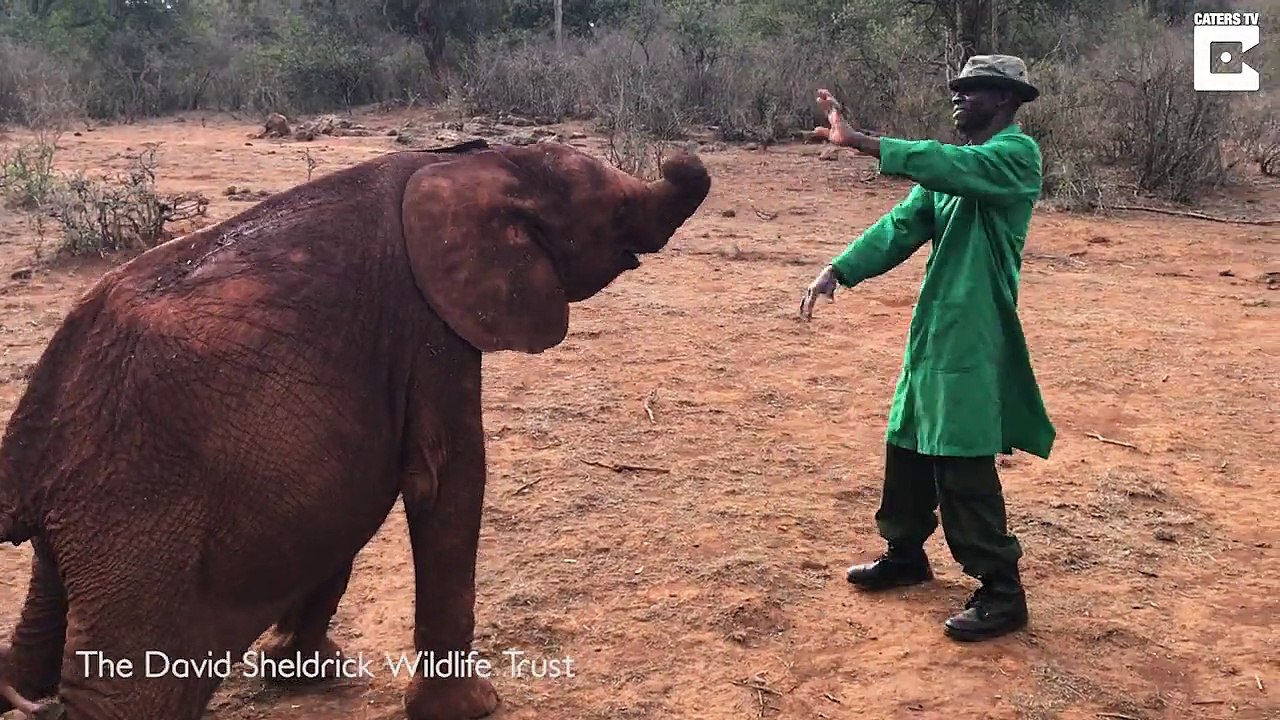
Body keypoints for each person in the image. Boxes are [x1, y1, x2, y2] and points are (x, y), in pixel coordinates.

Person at [798, 54, 1055, 642]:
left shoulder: (1015, 156)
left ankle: (1002, 591)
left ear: (1006, 100)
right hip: (935, 327)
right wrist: (840, 269)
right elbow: (900, 226)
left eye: (974, 90)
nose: (959, 97)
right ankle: (905, 554)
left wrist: (861, 141)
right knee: (908, 441)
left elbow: (945, 165)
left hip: (976, 330)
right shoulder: (953, 173)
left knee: (962, 457)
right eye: (958, 89)